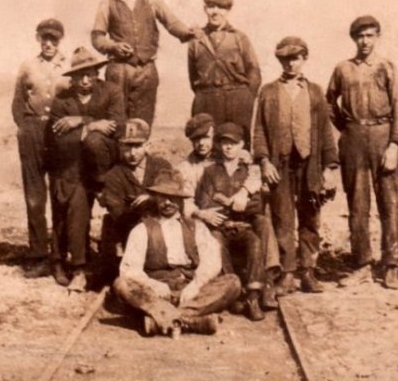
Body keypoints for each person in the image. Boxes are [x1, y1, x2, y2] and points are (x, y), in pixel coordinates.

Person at [254, 37, 338, 295]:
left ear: (304, 59)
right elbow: (259, 131)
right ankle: (287, 273)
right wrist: (265, 161)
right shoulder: (268, 91)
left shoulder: (314, 91)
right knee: (282, 217)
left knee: (310, 215)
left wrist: (329, 168)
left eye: (296, 58)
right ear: (279, 60)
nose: (291, 63)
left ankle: (308, 271)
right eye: (286, 59)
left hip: (309, 163)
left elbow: (325, 131)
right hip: (280, 163)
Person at [114, 169, 241, 337]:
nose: (167, 202)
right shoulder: (142, 229)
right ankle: (193, 321)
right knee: (122, 283)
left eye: (173, 197)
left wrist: (195, 285)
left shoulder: (197, 227)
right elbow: (130, 269)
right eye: (162, 197)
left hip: (191, 293)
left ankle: (166, 319)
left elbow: (211, 261)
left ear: (181, 200)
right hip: (158, 292)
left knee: (233, 282)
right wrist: (154, 285)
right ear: (155, 198)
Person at [326, 17, 398, 289]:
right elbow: (328, 102)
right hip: (354, 138)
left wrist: (395, 144)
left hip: (383, 136)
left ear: (378, 36)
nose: (365, 41)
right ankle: (362, 264)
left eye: (370, 36)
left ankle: (391, 264)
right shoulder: (343, 69)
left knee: (389, 203)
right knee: (358, 205)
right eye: (360, 36)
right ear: (353, 39)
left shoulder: (387, 67)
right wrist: (346, 127)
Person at [178, 113, 280, 310]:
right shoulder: (185, 168)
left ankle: (267, 282)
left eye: (205, 138)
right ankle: (230, 288)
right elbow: (186, 203)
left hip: (238, 216)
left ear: (212, 136)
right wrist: (202, 213)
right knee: (212, 235)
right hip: (207, 218)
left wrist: (244, 192)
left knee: (263, 222)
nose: (201, 144)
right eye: (195, 139)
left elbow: (254, 175)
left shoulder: (232, 154)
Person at [91, 0, 199, 126]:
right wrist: (113, 46)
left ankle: (140, 154)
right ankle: (119, 154)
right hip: (119, 70)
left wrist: (187, 32)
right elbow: (97, 37)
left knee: (144, 119)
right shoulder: (108, 2)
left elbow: (170, 21)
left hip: (146, 69)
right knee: (117, 118)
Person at [48, 47, 125, 289]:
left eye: (89, 74)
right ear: (71, 77)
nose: (84, 80)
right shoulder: (61, 101)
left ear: (97, 73)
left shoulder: (111, 91)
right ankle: (73, 266)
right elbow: (60, 140)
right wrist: (93, 124)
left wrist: (82, 122)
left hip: (104, 164)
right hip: (72, 165)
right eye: (79, 75)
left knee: (119, 208)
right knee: (73, 207)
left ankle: (117, 261)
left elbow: (118, 127)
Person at [196, 123, 274, 321]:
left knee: (254, 242)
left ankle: (253, 297)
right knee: (216, 243)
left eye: (233, 143)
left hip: (243, 225)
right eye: (224, 143)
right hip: (220, 226)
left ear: (242, 146)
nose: (228, 148)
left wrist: (224, 199)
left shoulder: (249, 172)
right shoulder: (211, 171)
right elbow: (205, 201)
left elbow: (256, 205)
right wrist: (233, 202)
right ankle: (234, 292)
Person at [11, 18, 69, 278]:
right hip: (32, 131)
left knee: (60, 192)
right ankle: (38, 255)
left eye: (53, 39)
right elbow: (18, 102)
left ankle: (58, 256)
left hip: (58, 132)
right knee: (35, 195)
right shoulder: (28, 67)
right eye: (44, 38)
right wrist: (25, 128)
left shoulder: (68, 65)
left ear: (60, 41)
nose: (48, 43)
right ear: (38, 39)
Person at [99, 118, 171, 282]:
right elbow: (117, 213)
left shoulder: (162, 167)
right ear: (120, 147)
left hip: (163, 228)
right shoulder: (114, 175)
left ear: (148, 145)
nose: (132, 153)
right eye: (127, 147)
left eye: (138, 146)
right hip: (131, 232)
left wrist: (152, 198)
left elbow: (173, 198)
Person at [188, 0, 261, 143]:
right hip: (206, 98)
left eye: (221, 7)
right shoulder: (196, 40)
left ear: (228, 11)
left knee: (237, 145)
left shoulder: (239, 37)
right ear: (205, 9)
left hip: (236, 99)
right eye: (211, 6)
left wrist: (246, 98)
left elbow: (253, 70)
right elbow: (193, 75)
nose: (215, 12)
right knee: (206, 144)